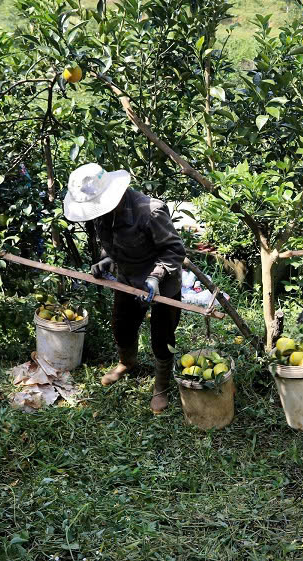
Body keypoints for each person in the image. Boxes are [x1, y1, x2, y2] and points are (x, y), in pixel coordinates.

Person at [62, 163, 186, 414]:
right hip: (127, 280)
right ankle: (126, 362)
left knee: (162, 336)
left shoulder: (150, 211)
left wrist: (155, 277)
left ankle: (161, 384)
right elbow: (114, 243)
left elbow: (174, 250)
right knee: (121, 325)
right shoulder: (103, 215)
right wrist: (107, 259)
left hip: (160, 283)